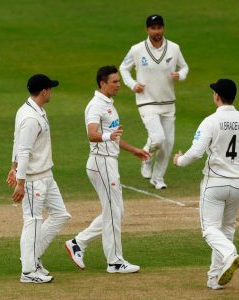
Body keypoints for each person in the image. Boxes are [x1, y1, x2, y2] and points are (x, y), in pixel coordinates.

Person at [173, 79, 239, 290]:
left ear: (217, 96)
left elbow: (196, 152)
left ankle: (230, 254)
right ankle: (215, 278)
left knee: (209, 229)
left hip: (215, 183)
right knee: (226, 228)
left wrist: (179, 160)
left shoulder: (210, 121)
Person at [64, 66, 150, 274]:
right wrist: (107, 137)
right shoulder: (95, 106)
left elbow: (113, 135)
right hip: (101, 162)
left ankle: (78, 242)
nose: (119, 85)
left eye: (119, 81)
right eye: (115, 82)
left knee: (115, 212)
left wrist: (133, 150)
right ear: (102, 84)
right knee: (113, 212)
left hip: (109, 161)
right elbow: (92, 134)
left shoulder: (109, 105)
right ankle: (115, 262)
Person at [6, 74, 71, 283]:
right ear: (43, 92)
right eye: (50, 89)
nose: (51, 91)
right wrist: (21, 181)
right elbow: (23, 149)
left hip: (46, 175)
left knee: (60, 215)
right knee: (32, 221)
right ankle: (28, 271)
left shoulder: (35, 110)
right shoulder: (30, 118)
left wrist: (13, 167)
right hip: (34, 179)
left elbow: (18, 142)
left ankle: (31, 257)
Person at [119, 14, 189, 189]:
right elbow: (123, 68)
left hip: (168, 102)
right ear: (147, 29)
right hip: (146, 101)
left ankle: (158, 178)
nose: (156, 31)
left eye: (159, 27)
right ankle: (146, 157)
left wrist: (180, 75)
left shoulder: (174, 48)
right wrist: (132, 84)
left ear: (163, 28)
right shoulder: (137, 49)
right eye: (153, 28)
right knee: (158, 138)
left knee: (167, 145)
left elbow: (185, 66)